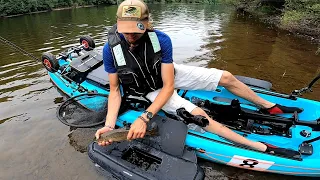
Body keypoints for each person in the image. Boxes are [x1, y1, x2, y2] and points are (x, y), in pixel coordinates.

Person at [95, 0, 302, 156]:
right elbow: (115, 90)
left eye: (136, 31)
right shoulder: (110, 50)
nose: (131, 36)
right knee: (200, 116)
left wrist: (144, 118)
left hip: (167, 78)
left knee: (226, 77)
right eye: (126, 31)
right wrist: (110, 126)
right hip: (149, 90)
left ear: (147, 24)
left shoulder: (161, 40)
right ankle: (259, 146)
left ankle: (268, 105)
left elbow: (169, 85)